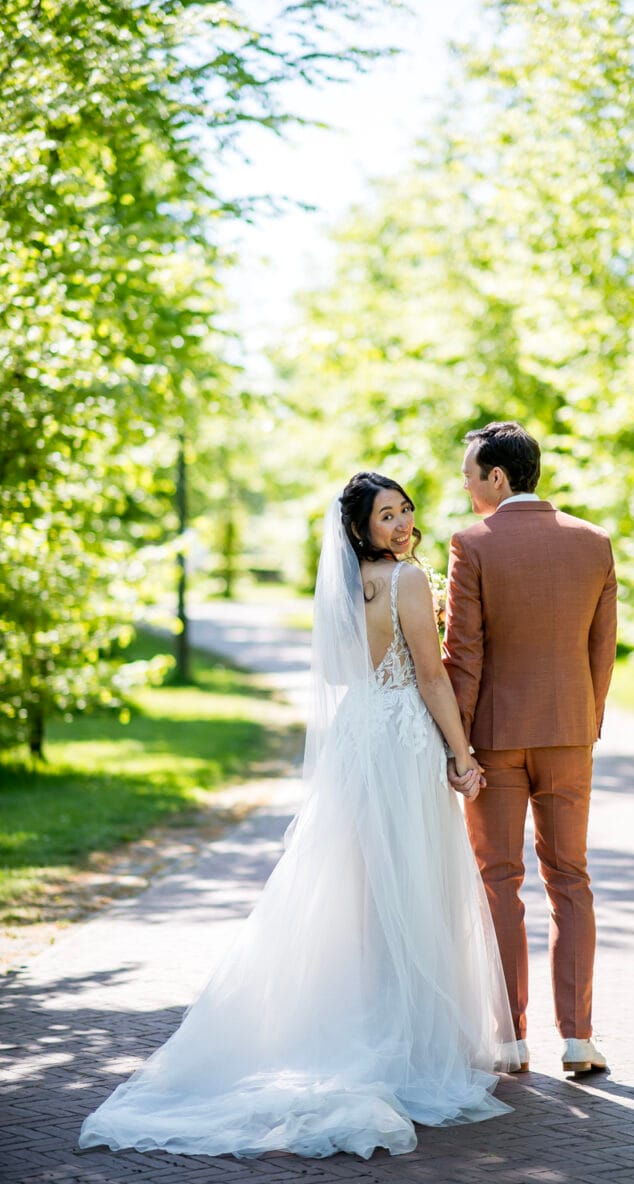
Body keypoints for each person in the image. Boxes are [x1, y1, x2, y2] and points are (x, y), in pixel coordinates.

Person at [78, 471, 519, 1162]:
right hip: (402, 741)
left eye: (405, 511)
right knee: (410, 888)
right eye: (385, 518)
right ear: (359, 530)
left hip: (358, 738)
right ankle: (403, 1043)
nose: (402, 525)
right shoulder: (407, 581)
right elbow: (432, 677)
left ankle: (371, 1022)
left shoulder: (350, 587)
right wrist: (461, 757)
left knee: (366, 891)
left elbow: (347, 674)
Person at [443, 422, 617, 1075]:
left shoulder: (473, 545)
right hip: (571, 732)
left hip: (493, 738)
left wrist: (458, 744)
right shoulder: (594, 543)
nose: (465, 484)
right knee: (571, 878)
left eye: (469, 473)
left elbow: (465, 655)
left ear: (497, 477)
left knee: (498, 882)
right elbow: (603, 648)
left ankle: (511, 1040)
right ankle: (578, 1037)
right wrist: (585, 721)